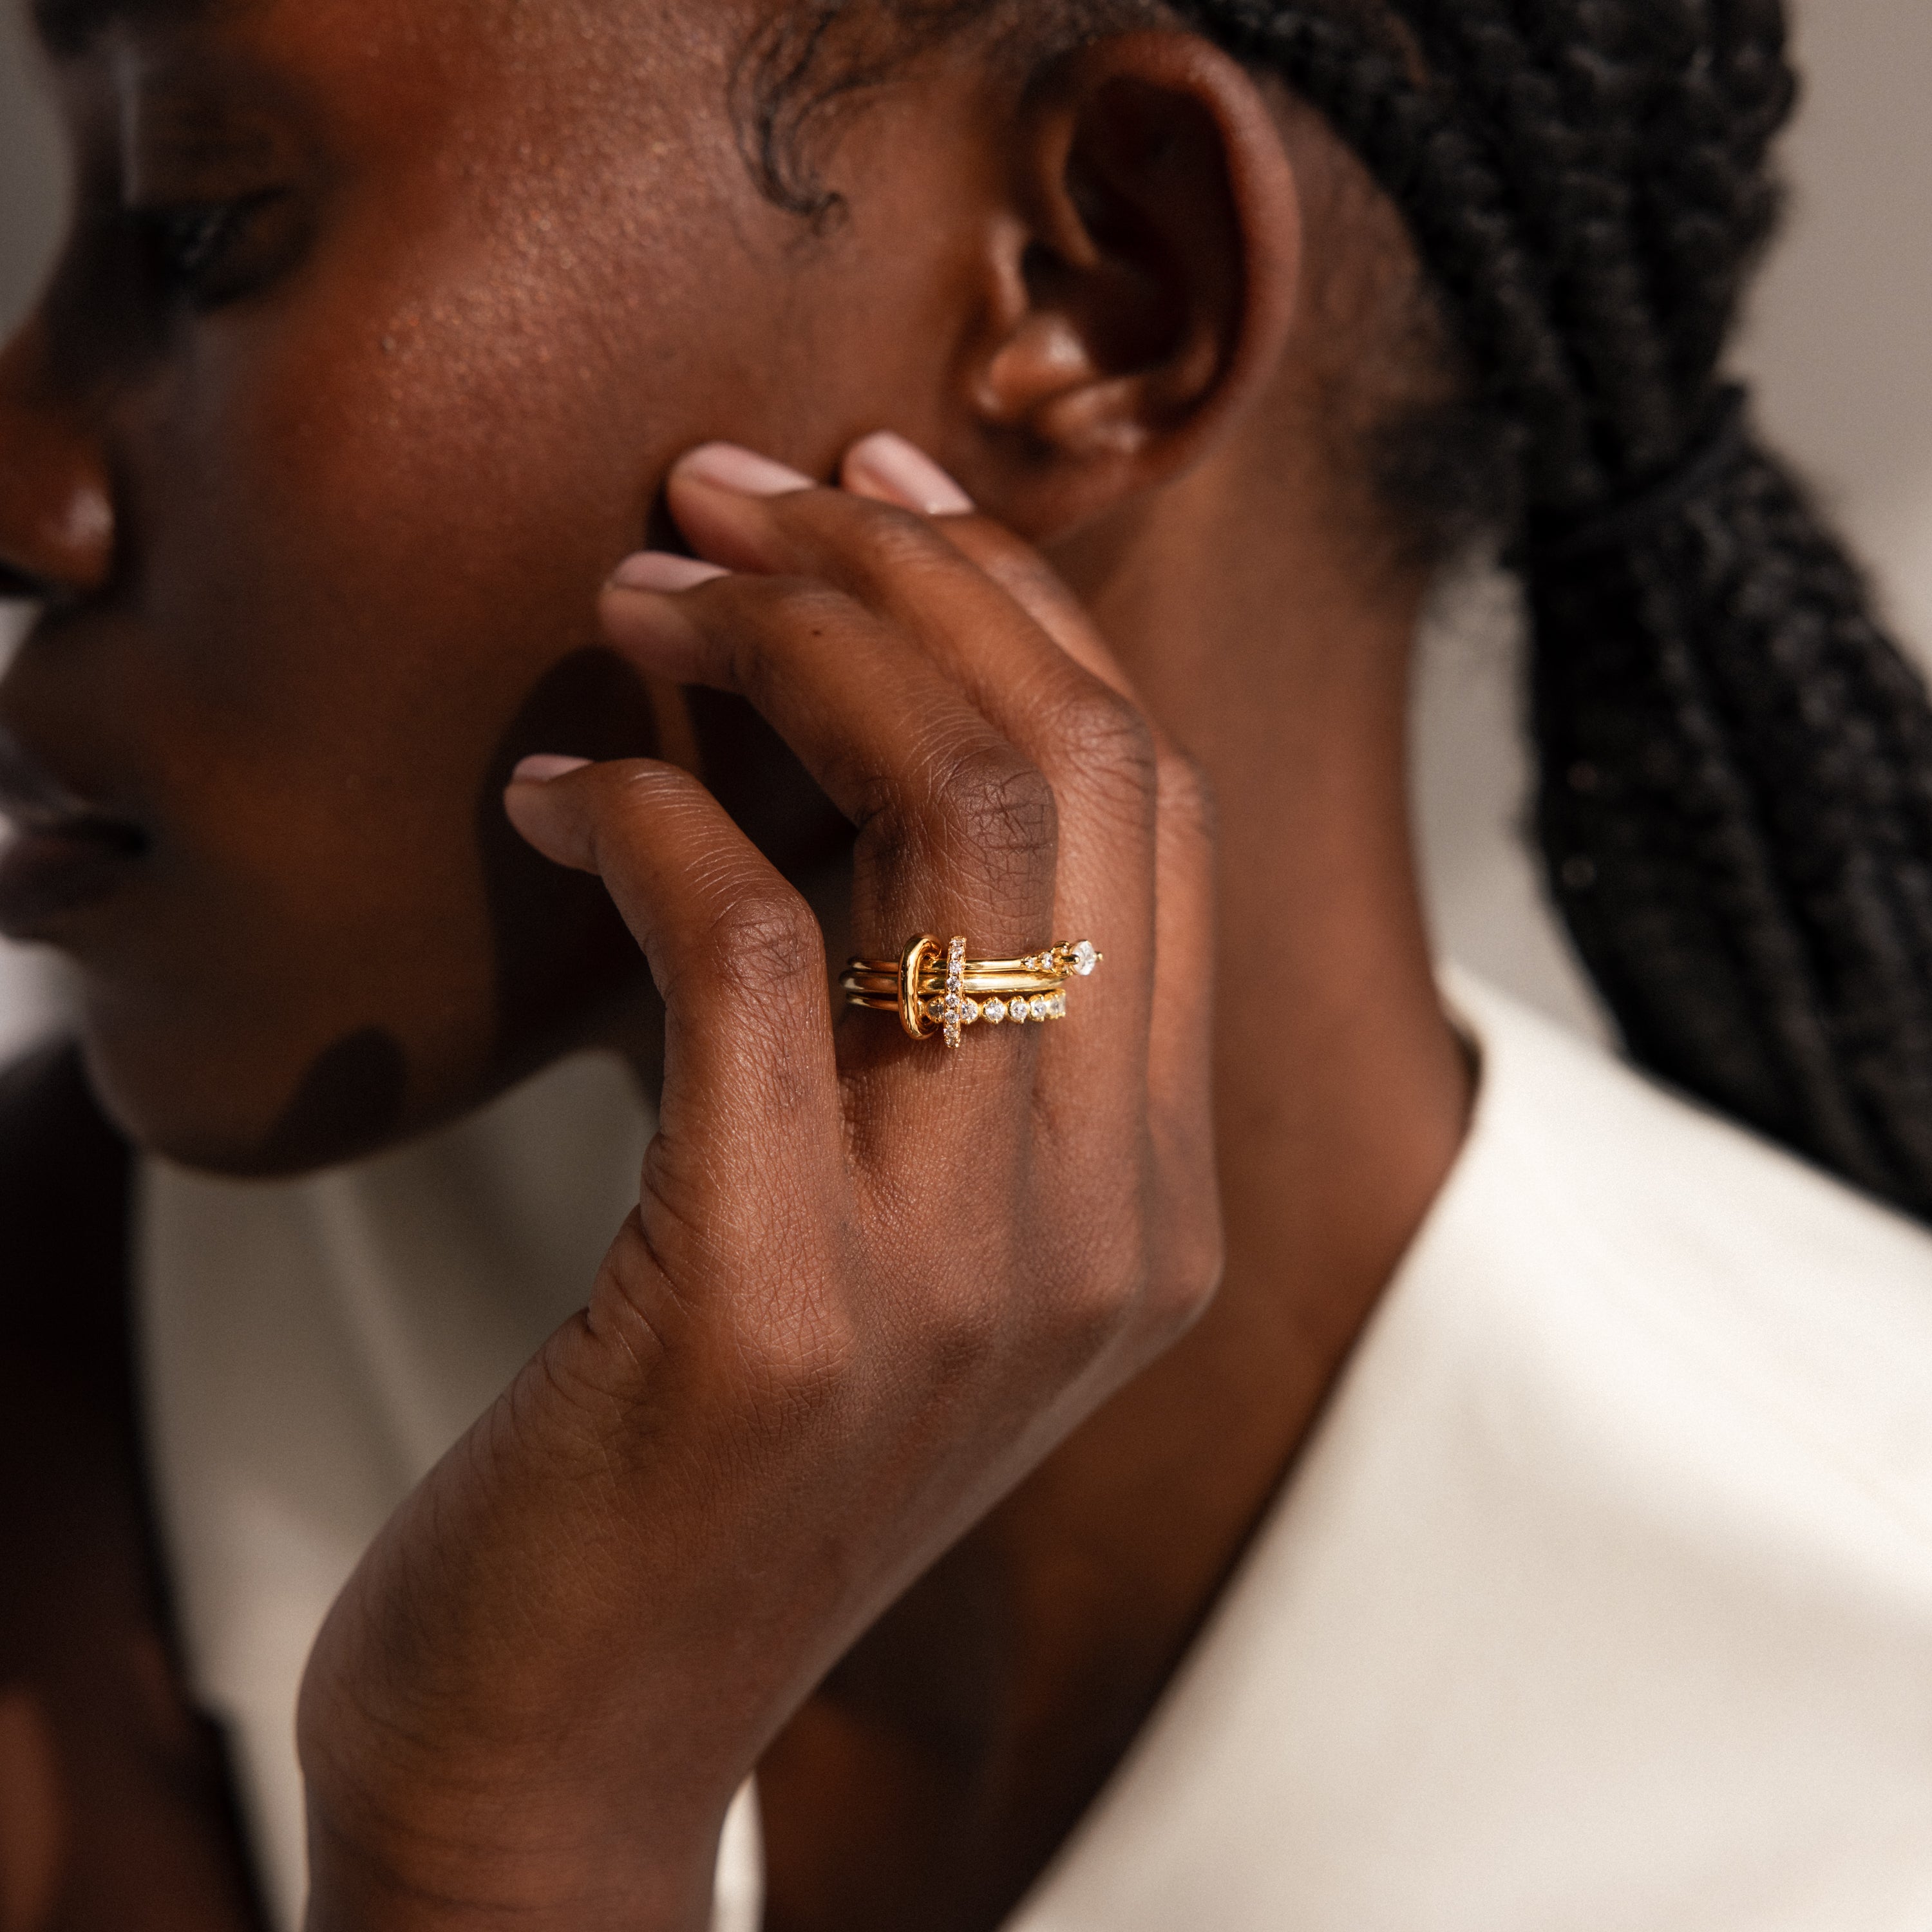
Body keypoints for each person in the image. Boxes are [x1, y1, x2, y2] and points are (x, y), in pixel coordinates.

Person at [3, 0, 1932, 1927]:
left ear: (1096, 286)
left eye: (197, 218)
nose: (25, 481)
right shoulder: (71, 1370)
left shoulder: (1866, 1747)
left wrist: (502, 1836)